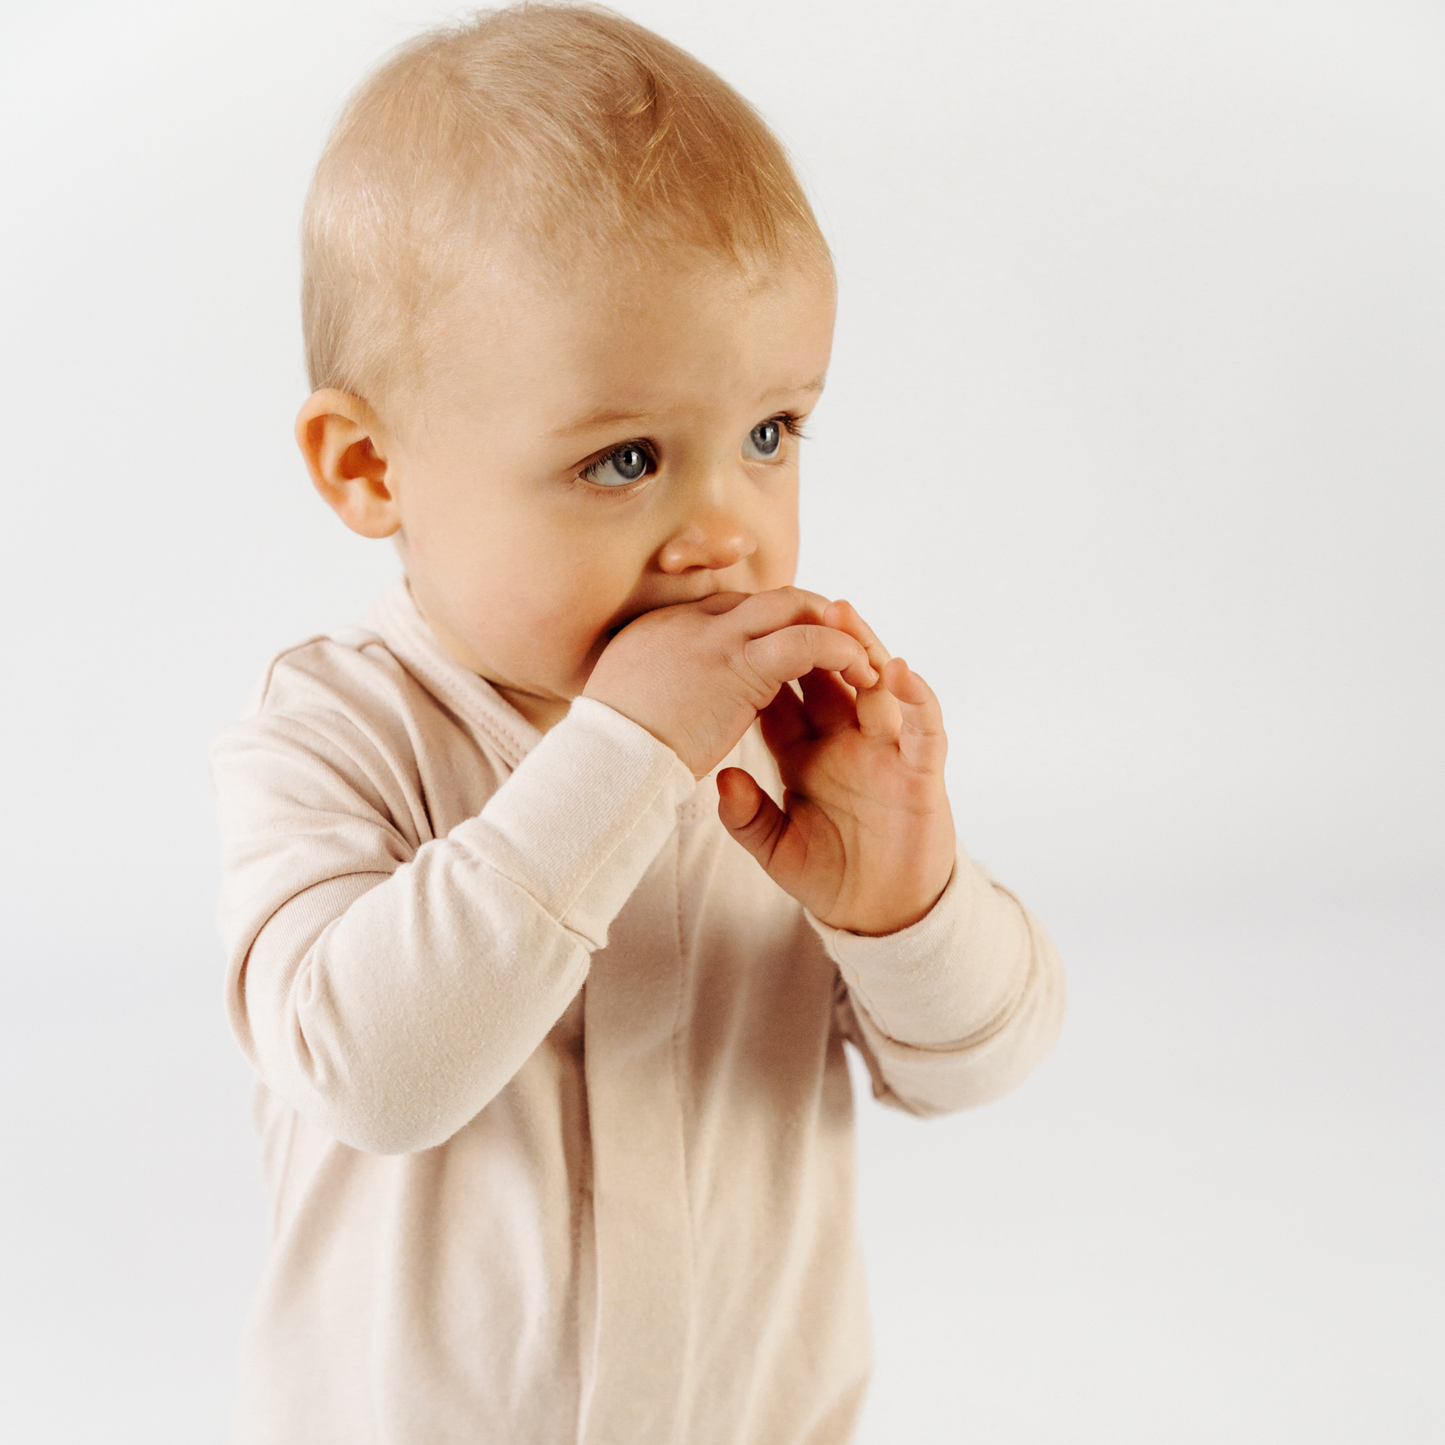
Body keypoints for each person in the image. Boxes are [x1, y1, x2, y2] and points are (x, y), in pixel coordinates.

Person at [209, 5, 1066, 1441]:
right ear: (369, 467)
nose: (722, 530)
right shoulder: (337, 727)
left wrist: (902, 905)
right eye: (623, 459)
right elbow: (372, 1075)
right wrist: (622, 754)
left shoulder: (785, 750)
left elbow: (979, 1065)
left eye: (772, 434)